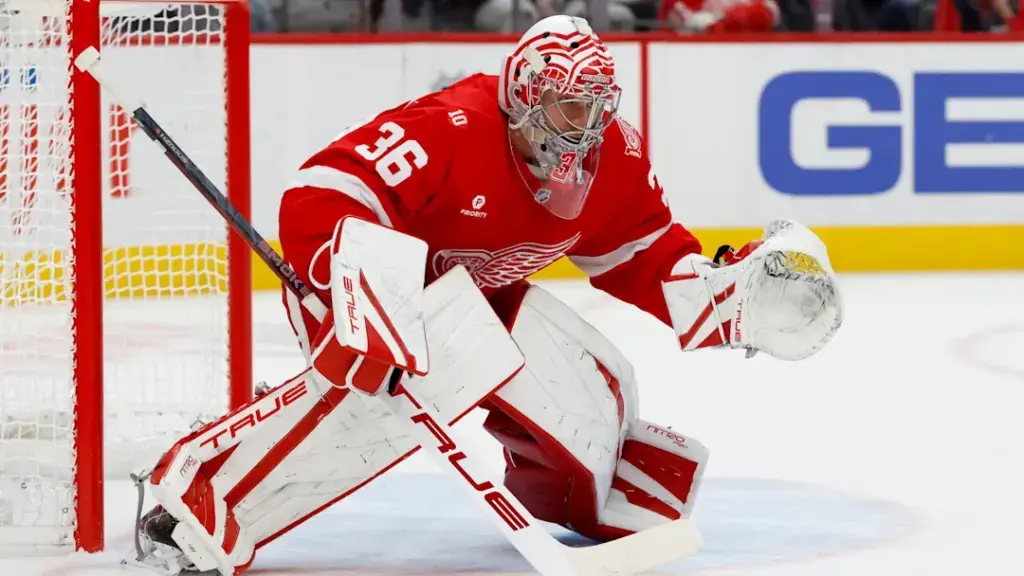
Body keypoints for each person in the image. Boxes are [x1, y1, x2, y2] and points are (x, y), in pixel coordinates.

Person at [128, 15, 843, 575]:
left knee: (588, 386)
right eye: (569, 107)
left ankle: (595, 488)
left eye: (596, 106)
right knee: (403, 391)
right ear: (526, 97)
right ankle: (194, 500)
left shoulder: (613, 158)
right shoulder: (453, 128)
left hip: (471, 301)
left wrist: (719, 294)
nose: (587, 126)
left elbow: (641, 250)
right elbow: (323, 192)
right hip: (365, 292)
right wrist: (367, 294)